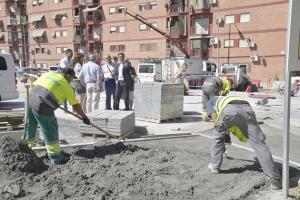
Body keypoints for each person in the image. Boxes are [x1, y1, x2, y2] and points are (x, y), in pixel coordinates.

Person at [205, 95, 282, 190]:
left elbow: (216, 118)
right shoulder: (226, 98)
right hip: (247, 109)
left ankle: (215, 166)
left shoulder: (210, 102)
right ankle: (275, 180)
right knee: (259, 145)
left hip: (229, 111)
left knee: (217, 137)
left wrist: (222, 132)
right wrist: (226, 132)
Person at [25, 67, 90, 165]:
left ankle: (25, 150)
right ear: (67, 75)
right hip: (42, 106)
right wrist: (84, 117)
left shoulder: (49, 74)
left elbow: (34, 84)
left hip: (30, 100)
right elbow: (75, 105)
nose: (72, 80)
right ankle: (56, 158)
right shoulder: (66, 86)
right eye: (72, 78)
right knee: (50, 130)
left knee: (31, 126)